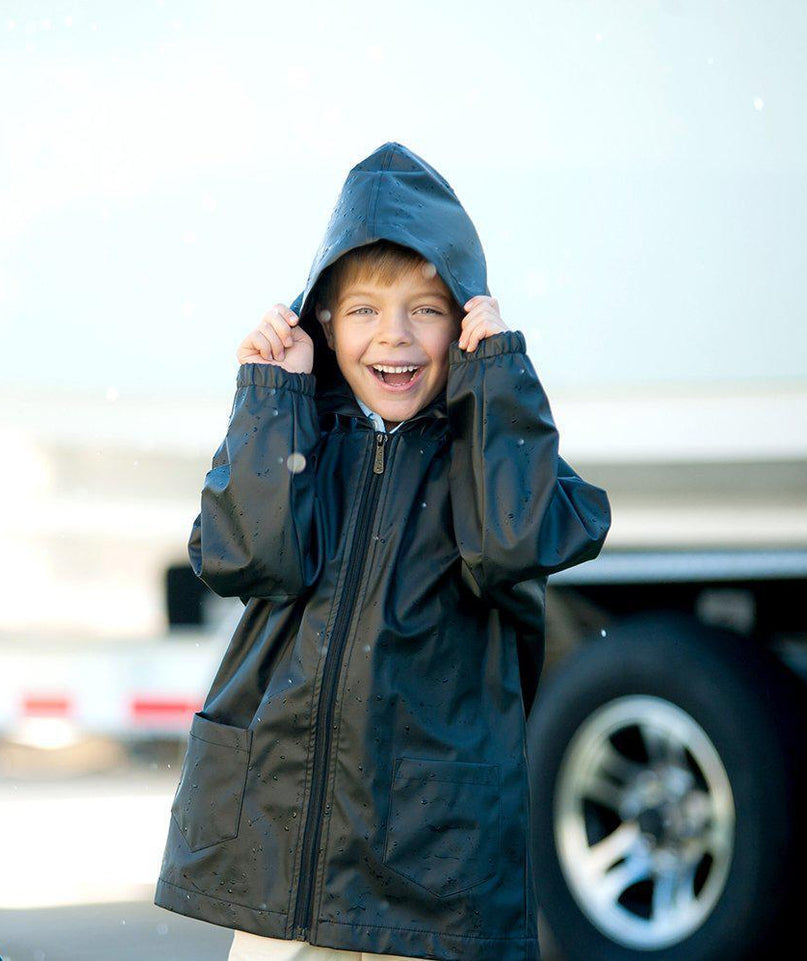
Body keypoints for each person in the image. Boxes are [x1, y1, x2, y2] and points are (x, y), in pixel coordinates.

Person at [155, 142, 612, 961]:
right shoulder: (299, 432)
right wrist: (270, 395)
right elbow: (242, 557)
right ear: (322, 324)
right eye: (362, 310)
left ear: (465, 322)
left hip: (431, 883)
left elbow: (511, 543)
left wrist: (497, 378)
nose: (392, 337)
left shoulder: (485, 452)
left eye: (426, 310)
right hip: (282, 873)